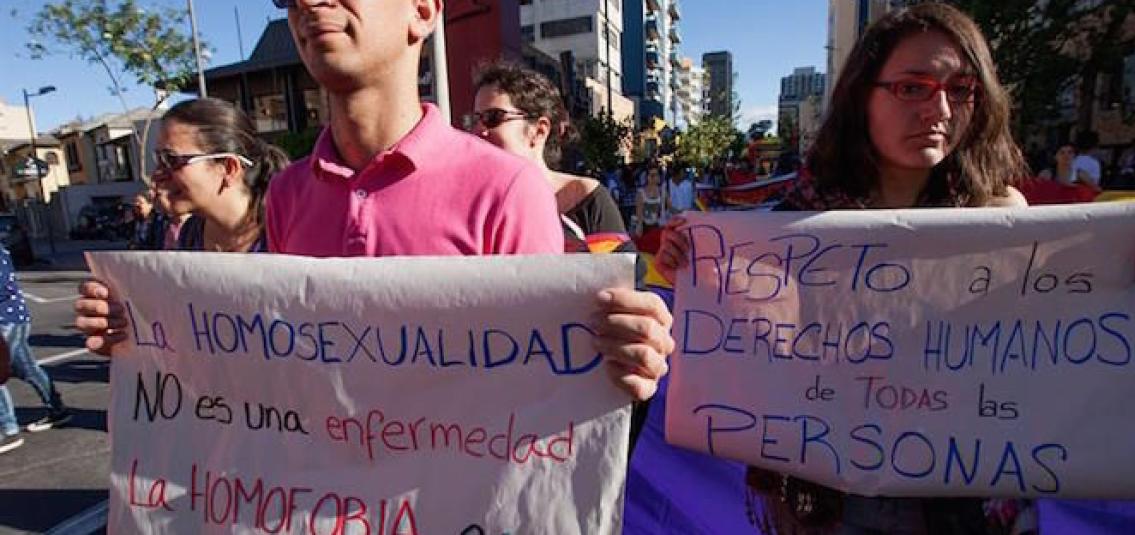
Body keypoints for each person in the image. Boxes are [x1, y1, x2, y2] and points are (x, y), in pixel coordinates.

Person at [654, 4, 1135, 533]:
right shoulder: (785, 230)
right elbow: (747, 338)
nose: (939, 110)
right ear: (861, 96)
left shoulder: (1004, 218)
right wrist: (693, 267)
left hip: (973, 499)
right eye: (912, 87)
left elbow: (1053, 336)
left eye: (961, 90)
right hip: (831, 503)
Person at [77, 0, 669, 403]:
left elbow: (544, 395)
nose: (308, 4)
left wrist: (617, 360)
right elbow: (280, 374)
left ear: (423, 10)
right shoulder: (287, 196)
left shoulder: (507, 191)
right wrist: (148, 338)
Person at [471, 62, 635, 254]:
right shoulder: (473, 205)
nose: (479, 130)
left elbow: (623, 272)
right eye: (476, 119)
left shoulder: (584, 198)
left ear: (539, 131)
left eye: (493, 117)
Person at [151, 98, 289, 252]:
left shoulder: (287, 231)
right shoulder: (190, 234)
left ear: (229, 168)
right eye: (159, 159)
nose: (157, 174)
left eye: (171, 159)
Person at [0, 246, 70, 454]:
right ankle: (58, 410)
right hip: (13, 318)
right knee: (27, 369)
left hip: (6, 321)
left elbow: (2, 287)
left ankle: (8, 429)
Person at [634, 166, 666, 253]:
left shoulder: (662, 191)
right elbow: (639, 213)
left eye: (656, 175)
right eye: (652, 175)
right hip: (645, 226)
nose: (654, 178)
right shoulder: (641, 192)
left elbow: (669, 207)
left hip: (657, 226)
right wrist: (639, 227)